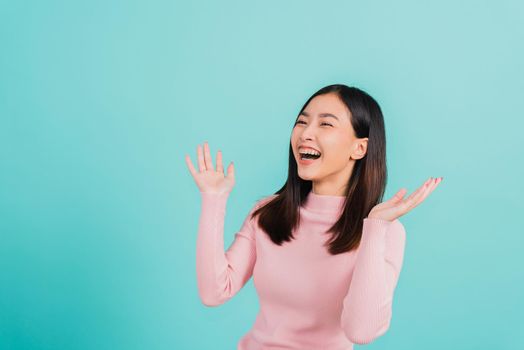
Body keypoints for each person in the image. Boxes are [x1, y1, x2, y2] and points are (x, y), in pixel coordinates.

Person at [185, 84, 442, 349]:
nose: (306, 133)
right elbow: (214, 292)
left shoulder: (384, 231)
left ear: (360, 148)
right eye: (302, 122)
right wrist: (214, 198)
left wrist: (375, 228)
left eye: (326, 125)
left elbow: (361, 332)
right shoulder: (267, 213)